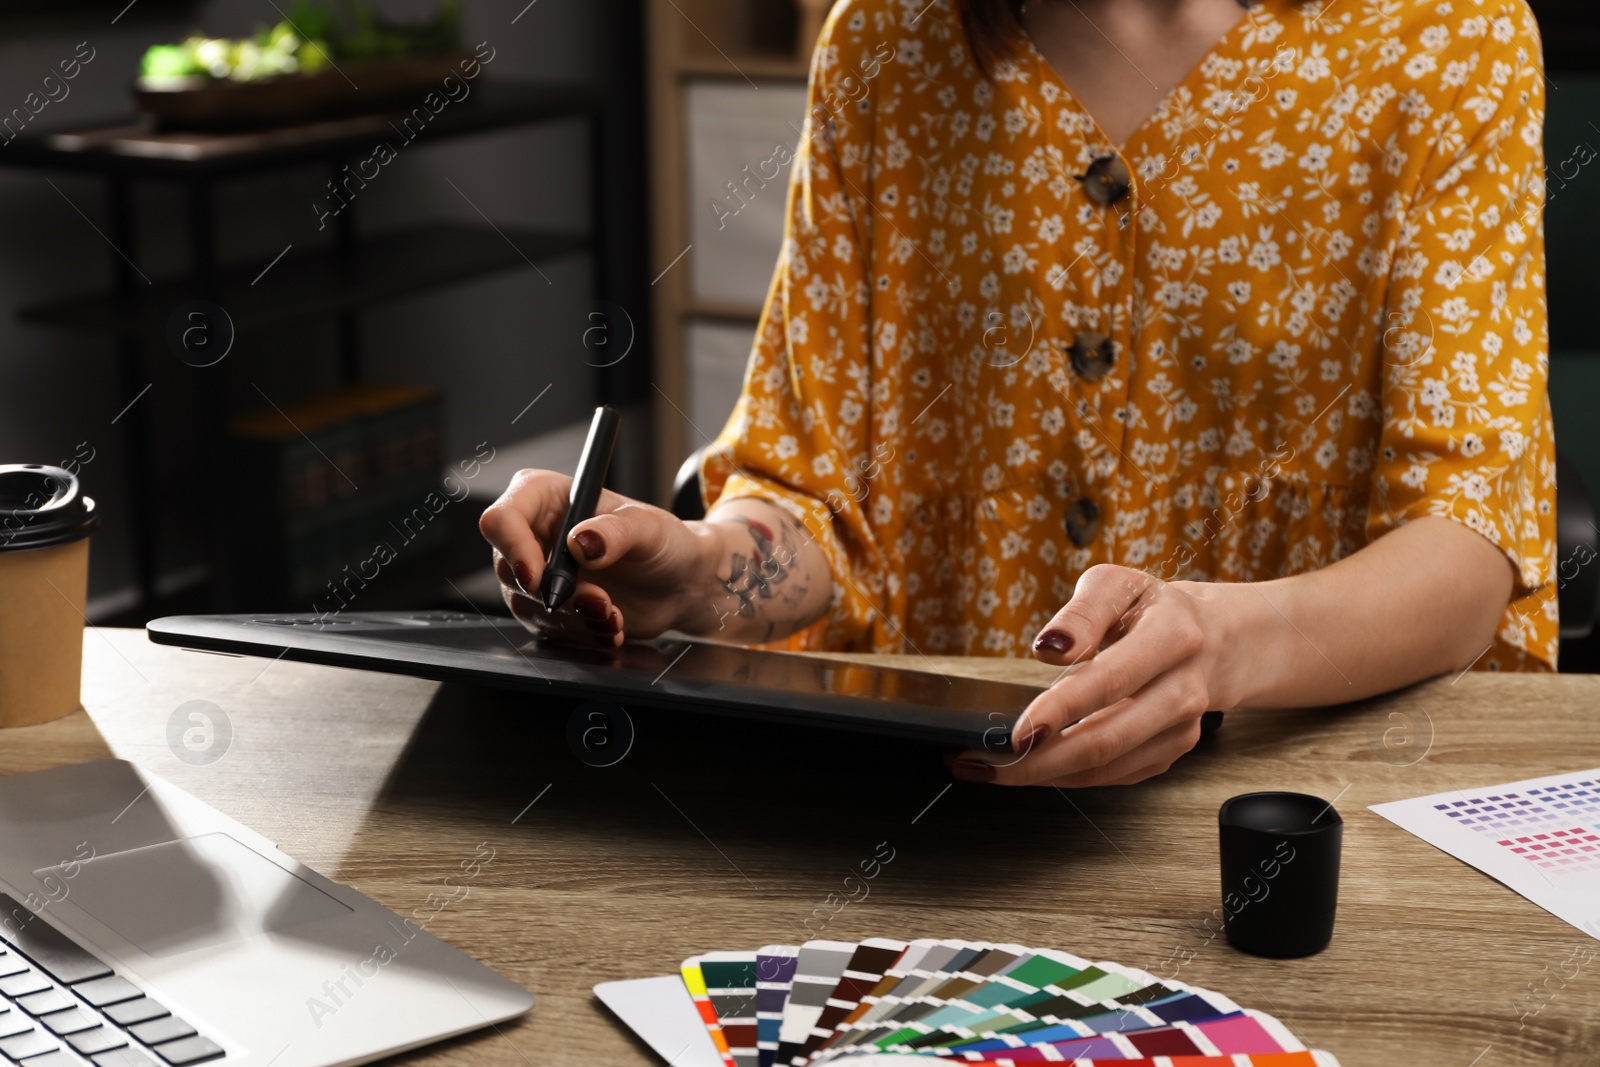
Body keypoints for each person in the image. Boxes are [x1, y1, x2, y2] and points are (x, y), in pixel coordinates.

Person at [480, 0, 1555, 787]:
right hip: (932, 805)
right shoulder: (885, 44)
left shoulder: (1449, 41)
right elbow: (816, 507)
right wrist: (694, 573)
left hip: (1292, 803)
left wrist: (1218, 646)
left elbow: (1466, 545)